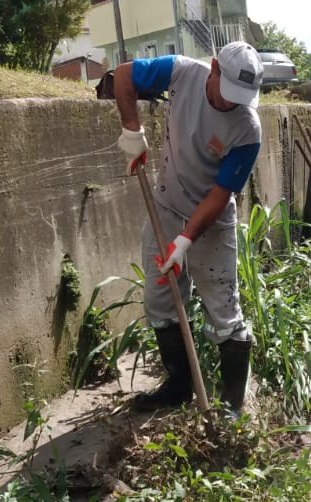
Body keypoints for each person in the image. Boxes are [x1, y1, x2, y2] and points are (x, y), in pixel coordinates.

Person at [96, 42, 264, 415]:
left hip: (213, 224)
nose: (230, 103)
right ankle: (178, 388)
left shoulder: (247, 129)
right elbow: (123, 76)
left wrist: (185, 241)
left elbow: (220, 195)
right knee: (160, 302)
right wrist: (132, 132)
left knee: (224, 312)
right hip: (166, 206)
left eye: (241, 98)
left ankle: (231, 407)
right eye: (227, 91)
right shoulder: (181, 72)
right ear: (214, 67)